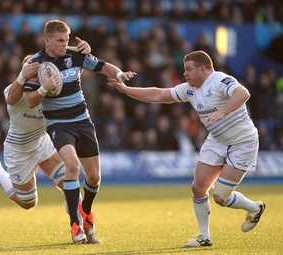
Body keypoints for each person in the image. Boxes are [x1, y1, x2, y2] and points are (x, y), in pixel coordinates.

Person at [107, 50, 265, 247]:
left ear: (203, 68)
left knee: (220, 197)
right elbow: (159, 94)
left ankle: (254, 208)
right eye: (184, 70)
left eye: (189, 69)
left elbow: (243, 93)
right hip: (217, 140)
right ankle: (204, 236)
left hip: (243, 142)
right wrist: (127, 90)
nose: (185, 74)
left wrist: (222, 112)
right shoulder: (190, 88)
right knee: (198, 188)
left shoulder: (220, 80)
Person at [24, 19, 136, 244]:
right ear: (47, 40)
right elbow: (29, 100)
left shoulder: (76, 54)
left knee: (94, 177)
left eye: (66, 40)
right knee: (72, 167)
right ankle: (75, 225)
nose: (64, 44)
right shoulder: (35, 64)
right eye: (59, 40)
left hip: (83, 121)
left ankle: (85, 212)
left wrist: (120, 73)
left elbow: (104, 66)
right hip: (58, 124)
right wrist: (45, 88)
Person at [0, 35, 91, 231]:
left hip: (42, 142)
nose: (35, 76)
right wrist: (23, 78)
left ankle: (79, 226)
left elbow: (72, 69)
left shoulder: (51, 90)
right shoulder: (14, 91)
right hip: (19, 150)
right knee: (28, 203)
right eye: (31, 73)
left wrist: (83, 51)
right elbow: (11, 99)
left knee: (69, 181)